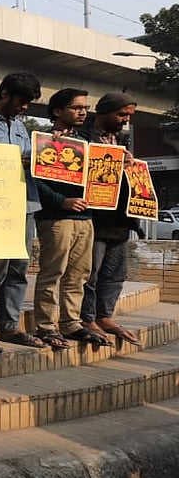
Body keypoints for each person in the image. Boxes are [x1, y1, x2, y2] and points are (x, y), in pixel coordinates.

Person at [0, 72, 42, 349]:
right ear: (5, 94)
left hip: (25, 204)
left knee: (19, 268)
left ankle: (9, 325)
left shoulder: (22, 127)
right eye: (22, 100)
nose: (25, 107)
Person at [32, 88, 105, 350]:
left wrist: (123, 161)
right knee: (53, 272)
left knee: (79, 274)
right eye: (76, 108)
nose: (83, 112)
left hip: (86, 216)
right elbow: (36, 181)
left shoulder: (91, 139)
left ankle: (71, 322)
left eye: (85, 108)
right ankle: (46, 325)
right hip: (56, 217)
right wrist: (61, 200)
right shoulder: (44, 141)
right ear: (57, 111)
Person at [78, 92, 141, 345]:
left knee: (115, 273)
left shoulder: (122, 139)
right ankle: (87, 316)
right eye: (121, 114)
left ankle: (105, 314)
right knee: (90, 272)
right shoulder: (82, 137)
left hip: (119, 218)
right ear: (104, 112)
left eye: (128, 115)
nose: (125, 120)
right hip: (95, 217)